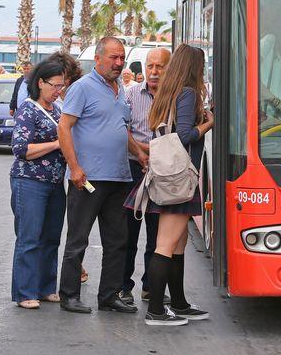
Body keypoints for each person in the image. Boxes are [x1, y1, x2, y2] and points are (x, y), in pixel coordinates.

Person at [57, 37, 146, 314]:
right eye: (113, 58)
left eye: (121, 58)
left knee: (117, 241)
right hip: (89, 180)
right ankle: (69, 295)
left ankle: (108, 295)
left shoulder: (120, 89)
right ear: (97, 59)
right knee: (78, 239)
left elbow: (122, 129)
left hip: (119, 179)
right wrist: (74, 167)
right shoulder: (82, 88)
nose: (118, 63)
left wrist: (140, 154)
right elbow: (64, 127)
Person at [125, 44, 212, 326]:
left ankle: (179, 303)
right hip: (178, 179)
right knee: (165, 245)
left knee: (177, 244)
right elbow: (184, 135)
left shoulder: (166, 93)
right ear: (193, 68)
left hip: (171, 178)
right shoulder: (186, 93)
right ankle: (156, 311)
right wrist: (208, 124)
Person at [9, 60, 67, 309]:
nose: (58, 90)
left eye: (62, 86)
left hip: (55, 182)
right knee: (29, 237)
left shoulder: (58, 109)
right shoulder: (28, 109)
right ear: (40, 83)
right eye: (54, 85)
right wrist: (56, 144)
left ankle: (45, 287)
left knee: (51, 237)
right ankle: (25, 292)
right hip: (30, 181)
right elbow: (21, 148)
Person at [119, 47, 171, 305]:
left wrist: (153, 151)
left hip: (163, 172)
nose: (153, 72)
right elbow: (122, 129)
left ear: (168, 69)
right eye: (150, 66)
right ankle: (123, 287)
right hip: (133, 169)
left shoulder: (175, 98)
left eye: (159, 66)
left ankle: (151, 287)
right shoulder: (130, 94)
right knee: (127, 233)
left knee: (157, 234)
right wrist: (141, 152)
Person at [46, 50, 89, 285]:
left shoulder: (75, 94)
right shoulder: (52, 100)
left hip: (73, 164)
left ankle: (76, 267)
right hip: (58, 166)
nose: (60, 86)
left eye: (64, 80)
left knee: (75, 222)